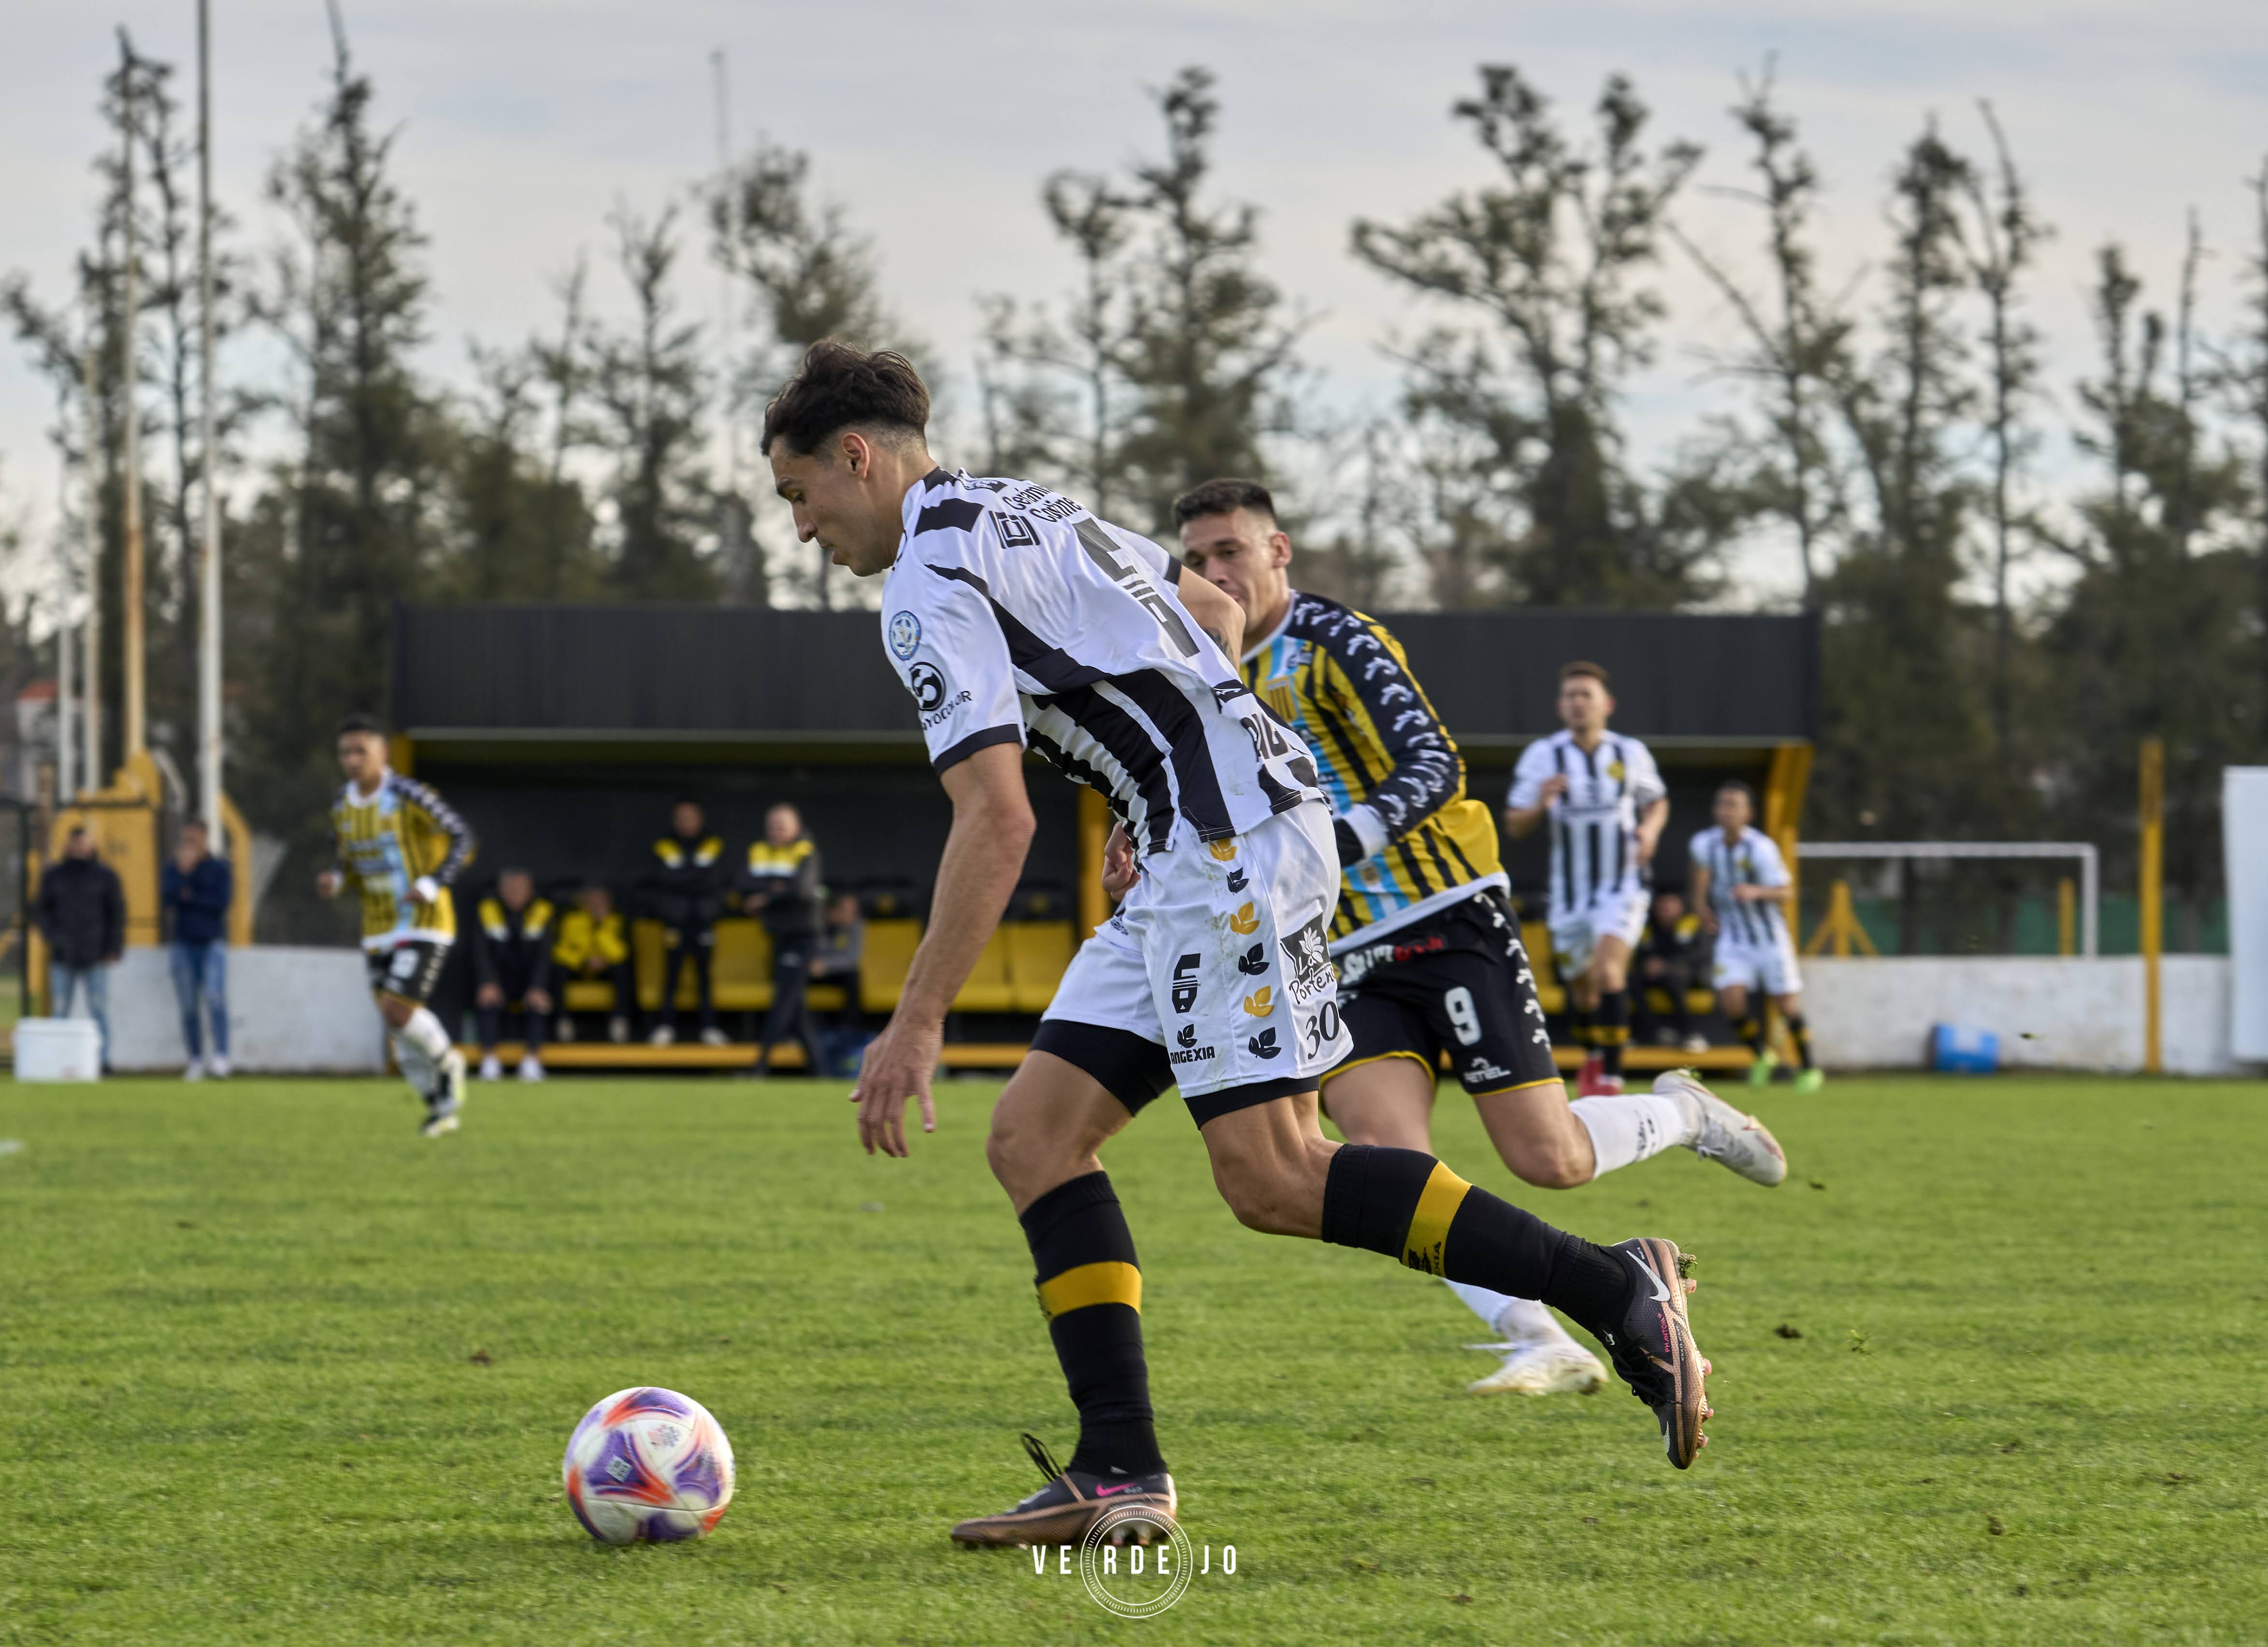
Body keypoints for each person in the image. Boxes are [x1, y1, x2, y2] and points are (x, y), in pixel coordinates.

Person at [763, 339, 1716, 1551]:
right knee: (1035, 1138)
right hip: (1198, 842)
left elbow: (995, 817)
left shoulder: (923, 582)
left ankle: (1613, 1287)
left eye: (800, 496)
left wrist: (914, 1021)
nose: (803, 529)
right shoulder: (1019, 505)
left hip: (1227, 853)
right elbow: (1211, 610)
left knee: (1276, 1175)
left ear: (856, 458)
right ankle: (1117, 1466)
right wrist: (1167, 774)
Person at [1180, 476, 1785, 1397]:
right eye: (1195, 558)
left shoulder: (1335, 639)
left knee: (1548, 1159)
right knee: (1387, 1166)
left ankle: (1689, 1113)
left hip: (1446, 913)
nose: (1213, 572)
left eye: (1229, 550)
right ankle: (1540, 1335)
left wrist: (1342, 841)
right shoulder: (1199, 668)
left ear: (1277, 550)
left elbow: (1436, 762)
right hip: (1341, 950)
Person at [1503, 663, 1667, 1098]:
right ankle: (1595, 1052)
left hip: (1623, 884)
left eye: (1586, 695)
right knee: (1583, 989)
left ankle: (1611, 1078)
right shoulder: (1544, 756)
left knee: (1610, 972)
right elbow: (1515, 824)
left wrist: (1649, 832)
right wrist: (1541, 803)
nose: (1578, 703)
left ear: (1606, 705)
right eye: (1571, 696)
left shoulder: (1630, 753)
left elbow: (1658, 802)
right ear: (1561, 706)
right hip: (1570, 894)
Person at [318, 714, 475, 1138]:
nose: (353, 761)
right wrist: (336, 879)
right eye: (345, 753)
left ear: (382, 753)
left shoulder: (409, 796)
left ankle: (447, 1063)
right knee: (397, 1025)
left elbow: (463, 837)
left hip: (424, 920)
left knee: (397, 1010)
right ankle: (439, 1108)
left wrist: (431, 882)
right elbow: (346, 861)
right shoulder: (341, 805)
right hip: (377, 927)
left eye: (361, 751)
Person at [1691, 781, 1823, 1092]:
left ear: (1748, 813)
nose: (1726, 810)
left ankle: (1808, 1068)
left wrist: (1757, 892)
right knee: (1730, 1001)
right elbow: (1699, 878)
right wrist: (1701, 909)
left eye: (1733, 805)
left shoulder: (1762, 849)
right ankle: (1761, 1054)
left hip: (1770, 939)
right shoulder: (1704, 844)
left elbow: (1788, 891)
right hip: (1733, 939)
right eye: (1722, 804)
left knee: (1786, 1005)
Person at [743, 802, 826, 1076]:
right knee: (795, 1005)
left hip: (803, 937)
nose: (777, 831)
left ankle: (760, 1064)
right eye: (773, 826)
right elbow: (744, 884)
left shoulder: (805, 850)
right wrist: (779, 889)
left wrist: (767, 896)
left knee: (784, 1001)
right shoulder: (760, 850)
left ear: (796, 827)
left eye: (783, 825)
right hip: (778, 936)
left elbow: (801, 889)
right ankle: (820, 1069)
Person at [36, 825, 123, 1068]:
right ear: (68, 846)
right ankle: (56, 1060)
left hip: (96, 953)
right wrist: (54, 937)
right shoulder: (54, 876)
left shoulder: (106, 876)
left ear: (92, 846)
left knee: (99, 1008)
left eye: (84, 844)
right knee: (60, 1008)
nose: (80, 848)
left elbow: (116, 914)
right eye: (76, 844)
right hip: (63, 954)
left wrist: (114, 948)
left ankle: (103, 1059)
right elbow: (42, 911)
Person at [646, 800, 728, 1048]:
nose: (687, 823)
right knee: (671, 976)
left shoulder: (713, 844)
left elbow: (715, 880)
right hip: (675, 921)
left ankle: (709, 1027)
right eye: (682, 819)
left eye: (691, 818)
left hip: (703, 920)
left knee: (705, 977)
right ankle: (666, 1026)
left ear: (700, 820)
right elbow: (662, 879)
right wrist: (695, 875)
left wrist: (682, 876)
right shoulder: (664, 845)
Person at [161, 818, 234, 1079]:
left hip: (213, 943)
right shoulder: (175, 868)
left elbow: (220, 902)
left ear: (205, 839)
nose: (188, 844)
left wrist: (190, 894)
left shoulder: (219, 868)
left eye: (193, 839)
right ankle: (195, 1060)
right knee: (189, 1006)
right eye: (185, 839)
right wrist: (185, 874)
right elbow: (168, 898)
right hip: (183, 944)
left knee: (215, 999)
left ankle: (221, 1058)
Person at [472, 868, 555, 1082]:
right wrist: (488, 982)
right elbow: (480, 951)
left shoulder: (542, 910)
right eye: (510, 889)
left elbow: (545, 956)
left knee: (539, 1001)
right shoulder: (488, 909)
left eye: (520, 889)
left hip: (530, 980)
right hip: (499, 979)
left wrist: (538, 986)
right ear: (500, 890)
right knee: (487, 998)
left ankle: (531, 1060)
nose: (515, 893)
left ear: (530, 890)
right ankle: (489, 1060)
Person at [552, 885, 633, 1044]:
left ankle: (619, 1021)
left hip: (605, 967)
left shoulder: (615, 920)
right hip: (579, 966)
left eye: (601, 901)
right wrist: (584, 961)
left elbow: (621, 954)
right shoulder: (573, 920)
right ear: (584, 902)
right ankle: (564, 1022)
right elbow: (561, 951)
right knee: (559, 970)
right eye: (592, 900)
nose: (596, 904)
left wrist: (601, 927)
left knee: (622, 970)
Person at [1633, 890, 1710, 1055]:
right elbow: (1640, 953)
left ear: (1681, 907)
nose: (1665, 909)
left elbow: (1700, 955)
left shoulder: (1692, 924)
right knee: (1631, 982)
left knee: (1675, 979)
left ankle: (1690, 1034)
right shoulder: (1648, 926)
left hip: (1689, 975)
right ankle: (1650, 1032)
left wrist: (1667, 965)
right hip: (1654, 975)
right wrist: (1648, 964)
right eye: (1662, 906)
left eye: (1670, 905)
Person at [810, 890, 867, 1075]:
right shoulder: (814, 923)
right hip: (809, 971)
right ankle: (796, 1033)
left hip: (832, 971)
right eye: (847, 911)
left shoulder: (856, 926)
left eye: (854, 911)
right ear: (833, 911)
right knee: (793, 979)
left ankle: (850, 1031)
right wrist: (812, 963)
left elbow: (852, 958)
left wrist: (825, 965)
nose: (852, 916)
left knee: (854, 978)